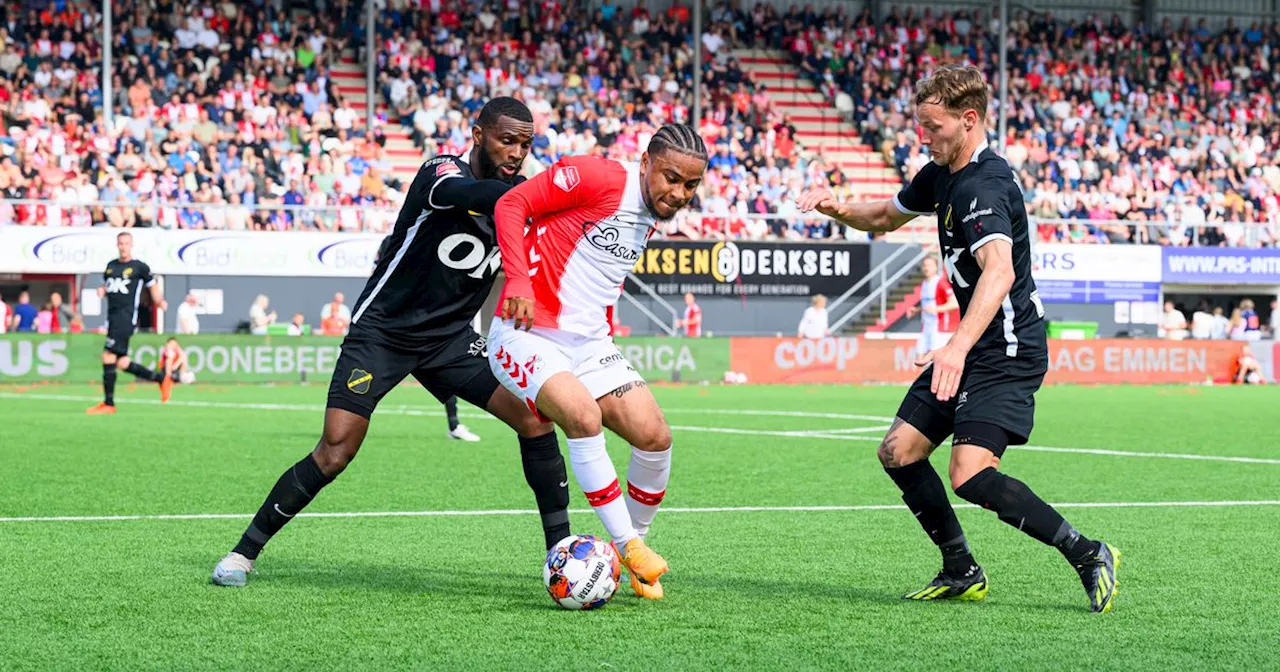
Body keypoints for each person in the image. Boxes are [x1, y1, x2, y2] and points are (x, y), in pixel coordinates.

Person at [212, 97, 573, 588]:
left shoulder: (518, 199)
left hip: (449, 341)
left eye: (525, 144)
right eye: (506, 140)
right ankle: (243, 553)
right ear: (477, 134)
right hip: (382, 333)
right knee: (335, 451)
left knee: (534, 418)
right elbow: (475, 192)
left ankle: (561, 556)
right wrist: (544, 192)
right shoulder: (440, 172)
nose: (516, 152)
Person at [797, 64, 1118, 613]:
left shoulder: (984, 185)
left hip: (1007, 348)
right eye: (921, 125)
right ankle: (960, 569)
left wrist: (955, 346)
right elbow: (883, 216)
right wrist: (837, 205)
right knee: (899, 451)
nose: (924, 136)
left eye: (934, 126)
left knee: (970, 472)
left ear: (968, 120)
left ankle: (1089, 553)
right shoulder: (942, 171)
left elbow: (999, 273)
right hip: (971, 343)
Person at [489, 124, 709, 601]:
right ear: (646, 162)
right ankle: (628, 546)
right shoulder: (597, 177)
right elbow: (511, 205)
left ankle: (635, 552)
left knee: (655, 437)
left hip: (589, 344)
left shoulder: (651, 213)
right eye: (671, 178)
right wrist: (518, 281)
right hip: (525, 333)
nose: (679, 193)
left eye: (691, 185)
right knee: (583, 416)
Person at [86, 232, 173, 414]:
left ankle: (109, 404)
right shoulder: (111, 267)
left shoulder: (139, 267)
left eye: (126, 243)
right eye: (120, 243)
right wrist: (102, 291)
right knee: (122, 362)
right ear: (117, 245)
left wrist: (160, 301)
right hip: (112, 317)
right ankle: (160, 378)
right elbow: (108, 287)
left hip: (125, 318)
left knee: (107, 356)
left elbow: (152, 287)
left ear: (131, 245)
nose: (123, 246)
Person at [905, 257, 958, 355]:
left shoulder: (941, 283)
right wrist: (917, 310)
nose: (926, 268)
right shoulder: (924, 284)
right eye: (924, 265)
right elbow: (928, 306)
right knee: (919, 356)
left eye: (929, 265)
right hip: (926, 327)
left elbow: (954, 304)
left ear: (935, 268)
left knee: (934, 358)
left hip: (939, 329)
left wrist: (936, 309)